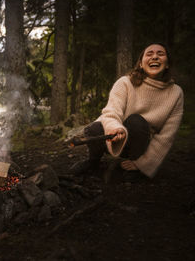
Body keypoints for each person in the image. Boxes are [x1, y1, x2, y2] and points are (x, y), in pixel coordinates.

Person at [70, 43, 184, 180]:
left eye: (160, 54)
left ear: (167, 64)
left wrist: (144, 164)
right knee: (94, 128)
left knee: (136, 120)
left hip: (143, 144)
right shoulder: (125, 82)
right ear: (141, 64)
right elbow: (111, 112)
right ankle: (93, 162)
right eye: (149, 54)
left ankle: (135, 165)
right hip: (116, 137)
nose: (154, 57)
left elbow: (167, 136)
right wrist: (115, 128)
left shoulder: (176, 93)